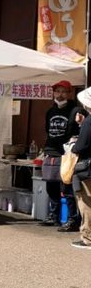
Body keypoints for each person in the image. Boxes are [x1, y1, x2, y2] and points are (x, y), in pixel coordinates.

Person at [41, 80, 79, 231]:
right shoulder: (50, 111)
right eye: (57, 91)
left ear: (69, 93)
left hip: (67, 154)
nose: (60, 94)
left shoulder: (75, 110)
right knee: (51, 186)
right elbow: (46, 130)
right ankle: (53, 216)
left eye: (63, 91)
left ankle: (72, 219)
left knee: (67, 188)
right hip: (51, 152)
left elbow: (77, 132)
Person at [70, 87, 91, 248]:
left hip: (87, 168)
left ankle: (87, 237)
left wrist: (73, 146)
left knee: (86, 202)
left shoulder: (89, 121)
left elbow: (80, 146)